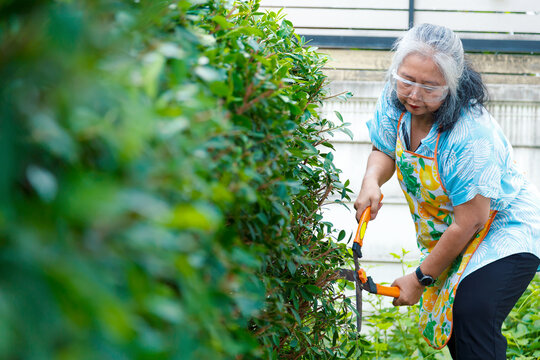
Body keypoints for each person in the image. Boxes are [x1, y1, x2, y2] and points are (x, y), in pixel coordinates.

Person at [354, 23, 540, 359]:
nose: (414, 94)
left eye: (430, 87)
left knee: (473, 311)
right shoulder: (395, 99)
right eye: (407, 79)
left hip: (504, 226)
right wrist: (371, 180)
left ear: (452, 86)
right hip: (456, 228)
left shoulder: (470, 133)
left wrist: (419, 277)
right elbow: (383, 148)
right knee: (456, 324)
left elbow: (469, 221)